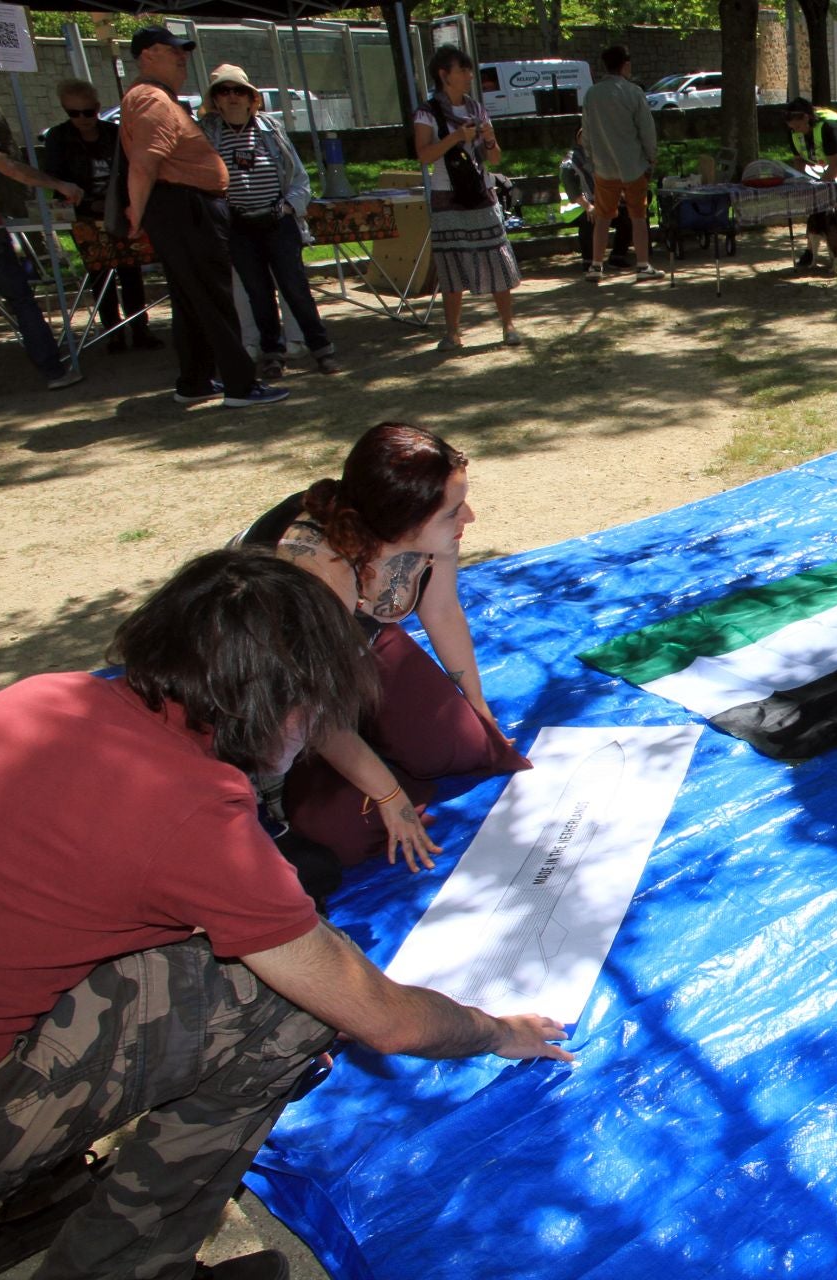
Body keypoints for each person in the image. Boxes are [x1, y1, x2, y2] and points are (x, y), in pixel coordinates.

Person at [0, 550, 571, 1280]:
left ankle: (33, 1191)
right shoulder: (191, 809)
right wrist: (496, 1030)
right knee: (278, 1005)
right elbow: (382, 1018)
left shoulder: (39, 699)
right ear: (286, 707)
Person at [235, 422, 529, 876]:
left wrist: (478, 708)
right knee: (349, 833)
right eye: (453, 511)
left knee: (466, 747)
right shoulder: (316, 573)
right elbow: (313, 712)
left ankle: (376, 733)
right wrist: (391, 797)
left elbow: (443, 610)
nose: (468, 517)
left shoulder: (425, 531)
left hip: (353, 650)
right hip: (279, 693)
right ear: (402, 520)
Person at [121, 27, 287, 408]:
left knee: (191, 299)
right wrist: (136, 213)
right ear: (147, 55)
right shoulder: (151, 100)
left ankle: (195, 380)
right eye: (172, 51)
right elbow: (145, 164)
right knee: (214, 296)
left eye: (183, 51)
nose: (183, 58)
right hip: (185, 207)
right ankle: (241, 385)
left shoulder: (156, 97)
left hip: (182, 206)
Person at [200, 64, 342, 379]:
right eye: (224, 91)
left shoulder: (270, 129)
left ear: (252, 98)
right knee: (257, 293)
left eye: (239, 91)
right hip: (239, 227)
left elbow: (299, 180)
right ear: (216, 100)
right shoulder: (208, 133)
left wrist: (285, 210)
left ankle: (322, 349)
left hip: (278, 222)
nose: (233, 97)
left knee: (295, 288)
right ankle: (273, 353)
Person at [412, 45, 522, 349]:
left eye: (468, 69)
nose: (469, 75)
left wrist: (488, 139)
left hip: (479, 190)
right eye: (462, 70)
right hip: (447, 194)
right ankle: (452, 331)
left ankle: (509, 325)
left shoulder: (476, 108)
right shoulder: (427, 112)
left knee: (497, 255)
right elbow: (423, 156)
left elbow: (496, 159)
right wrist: (455, 138)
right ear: (444, 75)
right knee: (451, 262)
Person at [41, 78, 162, 355]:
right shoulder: (59, 138)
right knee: (100, 274)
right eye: (74, 113)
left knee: (131, 271)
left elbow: (132, 167)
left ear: (97, 108)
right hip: (84, 215)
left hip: (119, 210)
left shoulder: (114, 133)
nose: (82, 119)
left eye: (87, 112)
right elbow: (54, 174)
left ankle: (139, 327)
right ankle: (113, 332)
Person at [0, 119, 86, 401]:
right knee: (21, 301)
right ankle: (54, 372)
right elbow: (6, 166)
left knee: (21, 301)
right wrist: (57, 184)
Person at [580, 45, 662, 282]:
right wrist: (651, 155)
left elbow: (586, 131)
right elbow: (646, 128)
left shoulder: (592, 94)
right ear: (625, 65)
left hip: (604, 166)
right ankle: (643, 265)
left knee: (604, 217)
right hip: (633, 165)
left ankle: (596, 266)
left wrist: (591, 157)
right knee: (638, 215)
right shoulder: (633, 92)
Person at [561, 126, 628, 271]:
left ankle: (617, 257)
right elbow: (572, 189)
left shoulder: (601, 156)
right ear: (579, 140)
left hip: (602, 202)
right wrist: (588, 206)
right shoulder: (570, 161)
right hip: (577, 206)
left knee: (627, 215)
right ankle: (589, 261)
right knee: (589, 217)